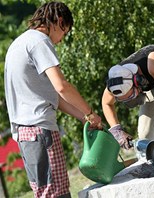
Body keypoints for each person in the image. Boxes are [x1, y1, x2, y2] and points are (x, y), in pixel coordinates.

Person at [4, 2, 102, 197]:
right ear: (59, 22)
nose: (60, 41)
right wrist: (91, 112)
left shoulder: (19, 43)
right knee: (57, 193)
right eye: (64, 33)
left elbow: (53, 97)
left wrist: (84, 118)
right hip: (41, 131)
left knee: (46, 193)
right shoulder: (40, 41)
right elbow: (62, 86)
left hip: (26, 134)